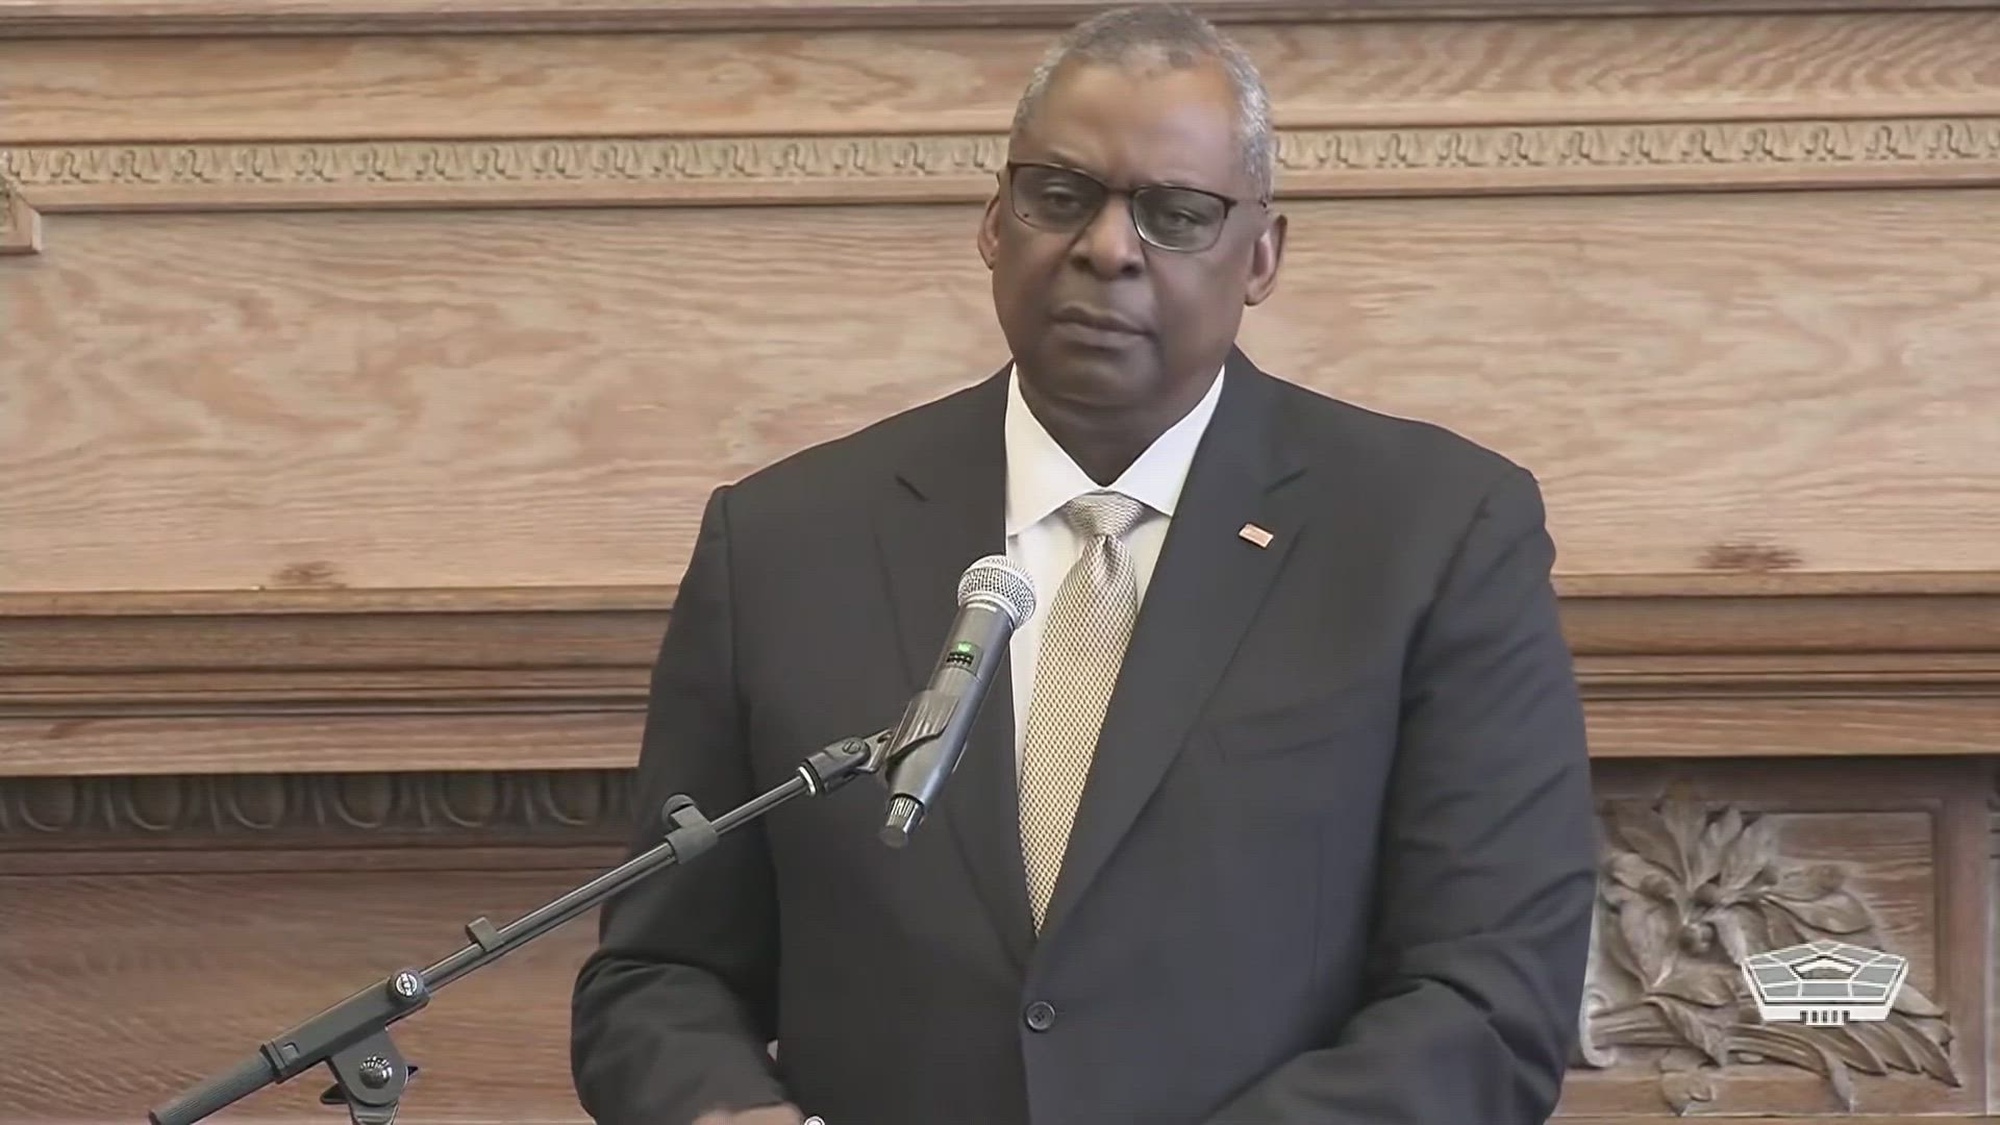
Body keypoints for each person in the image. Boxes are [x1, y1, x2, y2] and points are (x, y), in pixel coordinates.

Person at [569, 6, 1600, 1124]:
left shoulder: (1429, 532)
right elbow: (660, 974)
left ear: (1258, 255)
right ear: (992, 224)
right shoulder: (782, 541)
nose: (1107, 248)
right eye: (1059, 197)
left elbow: (1487, 994)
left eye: (1174, 214)